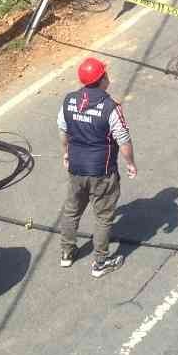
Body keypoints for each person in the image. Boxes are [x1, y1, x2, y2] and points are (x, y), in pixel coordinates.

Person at [57, 56, 137, 277]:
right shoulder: (111, 107)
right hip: (102, 172)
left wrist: (66, 153)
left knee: (72, 211)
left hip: (76, 168)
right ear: (102, 79)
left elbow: (63, 130)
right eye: (105, 74)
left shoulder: (69, 101)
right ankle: (100, 262)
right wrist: (130, 163)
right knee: (103, 217)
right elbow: (123, 140)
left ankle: (67, 253)